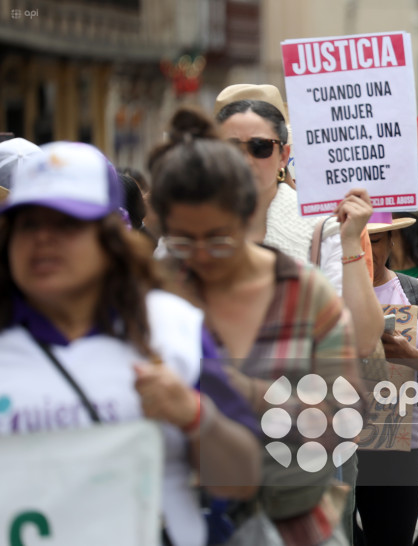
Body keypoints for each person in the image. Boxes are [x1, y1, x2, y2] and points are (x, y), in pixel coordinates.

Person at [0, 141, 262, 546]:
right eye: (27, 224)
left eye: (66, 223)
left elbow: (242, 478)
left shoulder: (174, 329)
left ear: (112, 236)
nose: (42, 240)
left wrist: (194, 417)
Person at [148, 108, 362, 546]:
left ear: (249, 217)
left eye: (218, 237)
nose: (202, 256)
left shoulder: (305, 295)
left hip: (292, 522)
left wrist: (240, 393)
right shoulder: (152, 295)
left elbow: (345, 424)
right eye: (184, 242)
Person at [214, 84, 382, 360]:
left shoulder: (323, 228)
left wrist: (350, 239)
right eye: (231, 148)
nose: (245, 160)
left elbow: (362, 341)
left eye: (260, 147)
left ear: (283, 155)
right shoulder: (185, 227)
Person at [355, 215, 418, 546]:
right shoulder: (321, 291)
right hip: (333, 443)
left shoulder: (414, 291)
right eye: (355, 241)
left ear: (391, 241)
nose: (365, 252)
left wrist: (409, 357)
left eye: (373, 241)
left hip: (396, 449)